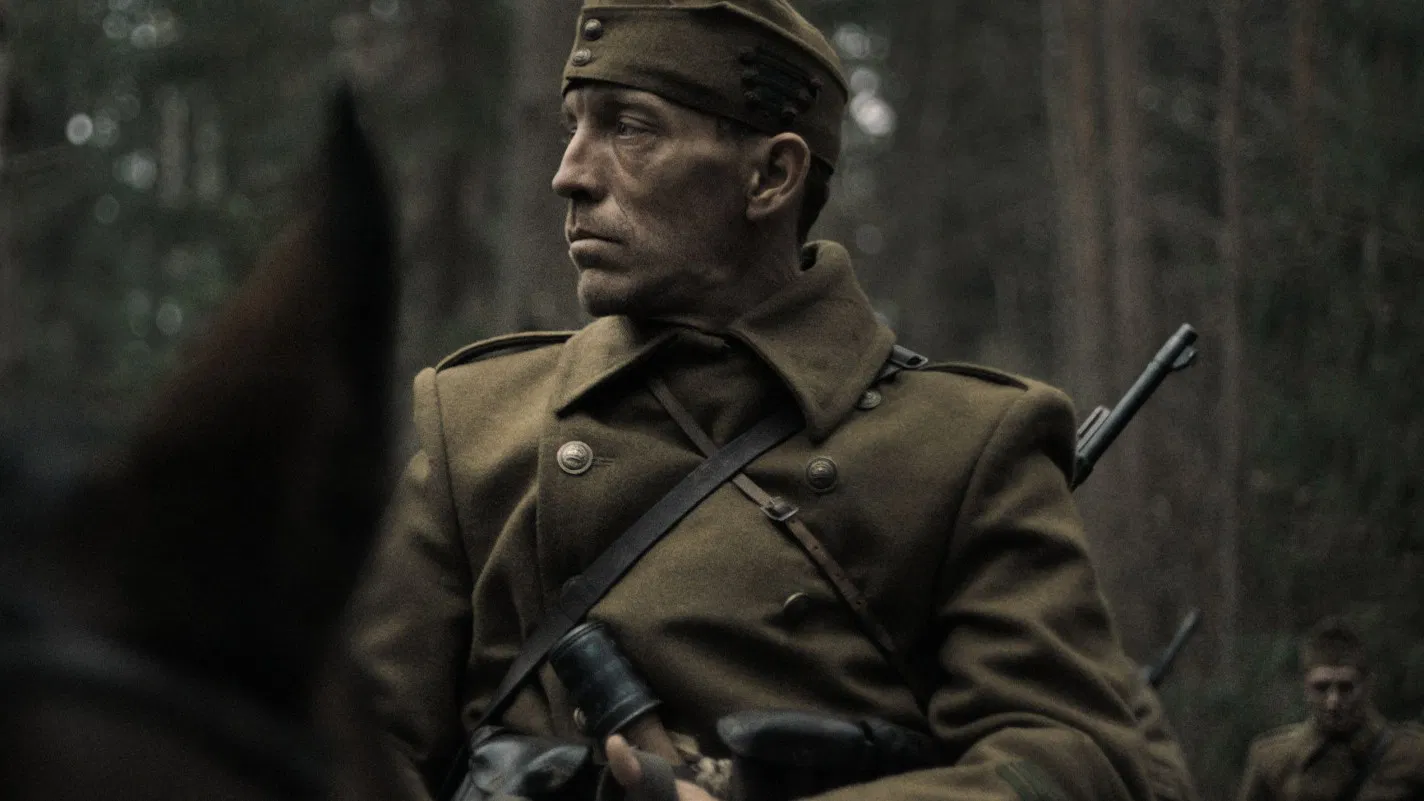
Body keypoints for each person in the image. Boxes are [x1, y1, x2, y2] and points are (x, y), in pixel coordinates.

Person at [351, 2, 1164, 800]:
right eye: (574, 125)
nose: (571, 173)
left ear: (771, 175)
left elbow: (1079, 759)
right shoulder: (477, 423)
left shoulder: (964, 447)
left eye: (630, 128)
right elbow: (354, 742)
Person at [1236, 618, 1424, 801]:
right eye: (1321, 688)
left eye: (1346, 688)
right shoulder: (1272, 760)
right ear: (1305, 688)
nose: (1333, 702)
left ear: (1368, 686)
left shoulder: (1412, 755)